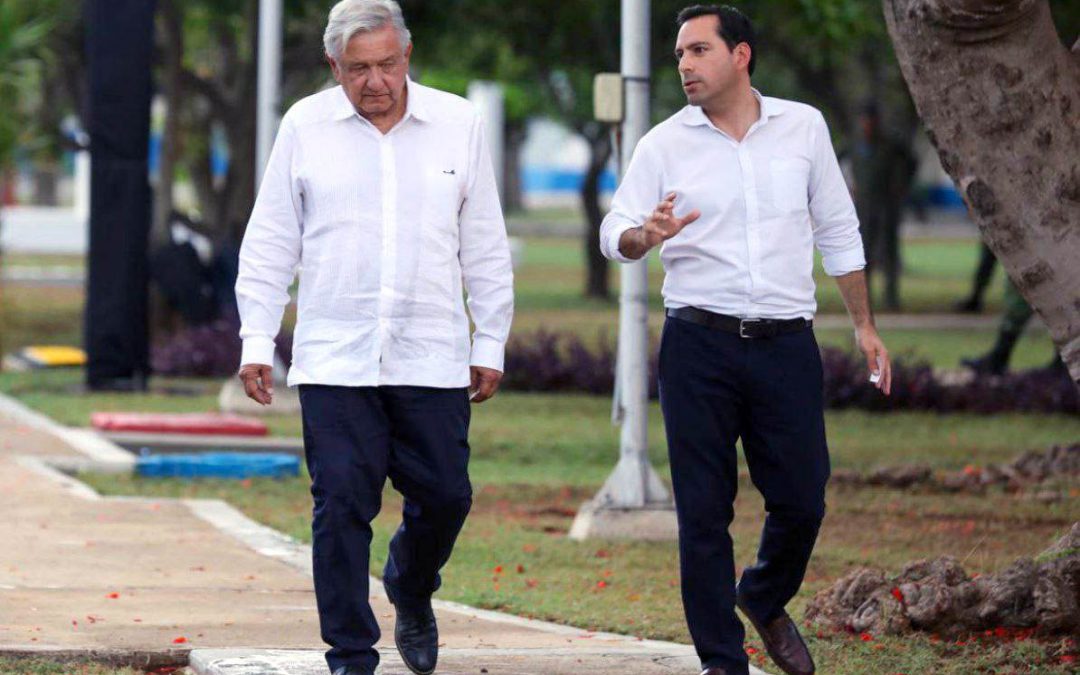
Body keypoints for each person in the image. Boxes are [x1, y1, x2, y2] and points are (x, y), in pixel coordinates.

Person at [599, 6, 891, 675]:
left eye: (698, 51)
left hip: (786, 344)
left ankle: (762, 594)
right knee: (704, 511)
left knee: (803, 496)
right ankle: (721, 660)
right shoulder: (664, 143)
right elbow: (614, 230)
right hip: (698, 344)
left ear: (741, 56)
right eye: (678, 55)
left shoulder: (803, 128)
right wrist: (646, 234)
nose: (684, 66)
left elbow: (839, 232)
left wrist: (865, 325)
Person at [233, 2, 514, 673]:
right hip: (336, 356)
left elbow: (484, 242)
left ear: (407, 55)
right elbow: (272, 239)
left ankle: (411, 584)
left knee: (447, 495)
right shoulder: (304, 125)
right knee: (340, 505)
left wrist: (490, 339)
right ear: (335, 67)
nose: (375, 80)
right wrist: (255, 338)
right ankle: (350, 655)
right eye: (358, 69)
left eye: (387, 64)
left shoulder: (458, 124)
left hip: (431, 352)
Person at [851, 101, 917, 311]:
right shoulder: (855, 144)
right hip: (864, 206)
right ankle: (865, 299)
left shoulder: (890, 144)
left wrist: (902, 185)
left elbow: (912, 162)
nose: (867, 125)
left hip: (887, 205)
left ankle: (891, 299)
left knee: (889, 252)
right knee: (864, 253)